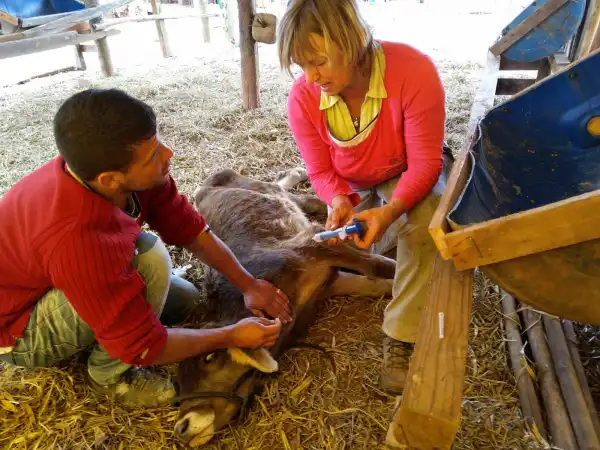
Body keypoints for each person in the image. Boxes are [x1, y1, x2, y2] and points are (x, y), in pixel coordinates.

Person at [0, 88, 293, 408]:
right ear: (110, 180)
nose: (168, 154)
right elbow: (143, 346)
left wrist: (249, 284)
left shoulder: (118, 173)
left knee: (188, 302)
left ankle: (114, 311)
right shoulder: (76, 239)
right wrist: (231, 336)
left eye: (158, 143)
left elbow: (189, 228)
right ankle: (109, 374)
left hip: (59, 272)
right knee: (150, 258)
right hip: (18, 327)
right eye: (153, 155)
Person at [278, 0, 451, 395]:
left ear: (353, 40)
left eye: (320, 60)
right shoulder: (304, 95)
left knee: (424, 226)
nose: (311, 76)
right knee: (351, 240)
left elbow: (425, 163)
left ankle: (401, 336)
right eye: (302, 65)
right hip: (354, 183)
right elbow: (320, 170)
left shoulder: (413, 70)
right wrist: (337, 198)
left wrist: (392, 210)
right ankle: (390, 252)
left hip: (404, 173)